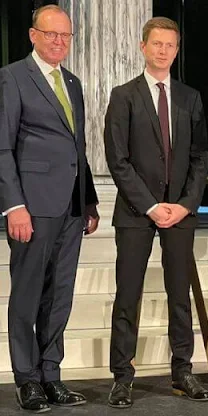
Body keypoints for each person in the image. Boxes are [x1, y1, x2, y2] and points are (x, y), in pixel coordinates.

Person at [103, 17, 208, 407]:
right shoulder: (123, 95)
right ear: (143, 46)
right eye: (157, 44)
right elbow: (118, 160)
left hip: (180, 213)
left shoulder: (190, 97)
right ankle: (122, 376)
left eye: (171, 45)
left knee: (178, 295)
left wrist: (184, 204)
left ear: (176, 50)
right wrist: (150, 206)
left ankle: (183, 371)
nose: (164, 50)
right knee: (128, 294)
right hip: (136, 212)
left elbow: (200, 157)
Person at [0, 5, 99, 412]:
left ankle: (51, 374)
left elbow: (79, 146)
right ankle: (27, 381)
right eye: (51, 34)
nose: (59, 41)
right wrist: (13, 206)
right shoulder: (12, 77)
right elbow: (2, 146)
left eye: (66, 36)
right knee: (27, 295)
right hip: (32, 207)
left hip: (71, 209)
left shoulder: (72, 81)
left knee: (59, 296)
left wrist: (88, 200)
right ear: (33, 35)